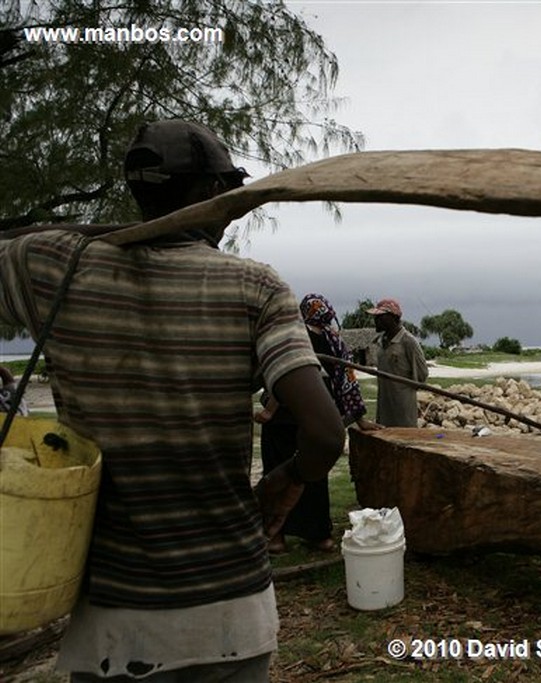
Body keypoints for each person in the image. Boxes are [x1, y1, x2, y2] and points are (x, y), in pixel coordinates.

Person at [0, 119, 345, 682]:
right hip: (231, 614)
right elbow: (326, 434)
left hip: (112, 622)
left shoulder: (52, 265)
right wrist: (288, 479)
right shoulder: (256, 287)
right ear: (214, 196)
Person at [255, 293, 380, 554]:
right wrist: (360, 420)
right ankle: (319, 536)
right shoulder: (335, 342)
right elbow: (348, 384)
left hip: (284, 420)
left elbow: (284, 376)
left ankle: (276, 536)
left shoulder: (295, 336)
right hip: (315, 421)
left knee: (279, 471)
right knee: (312, 473)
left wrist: (269, 410)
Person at [366, 298, 428, 427]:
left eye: (380, 317)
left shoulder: (408, 342)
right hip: (384, 408)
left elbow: (421, 375)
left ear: (393, 318)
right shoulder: (380, 342)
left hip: (403, 410)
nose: (375, 321)